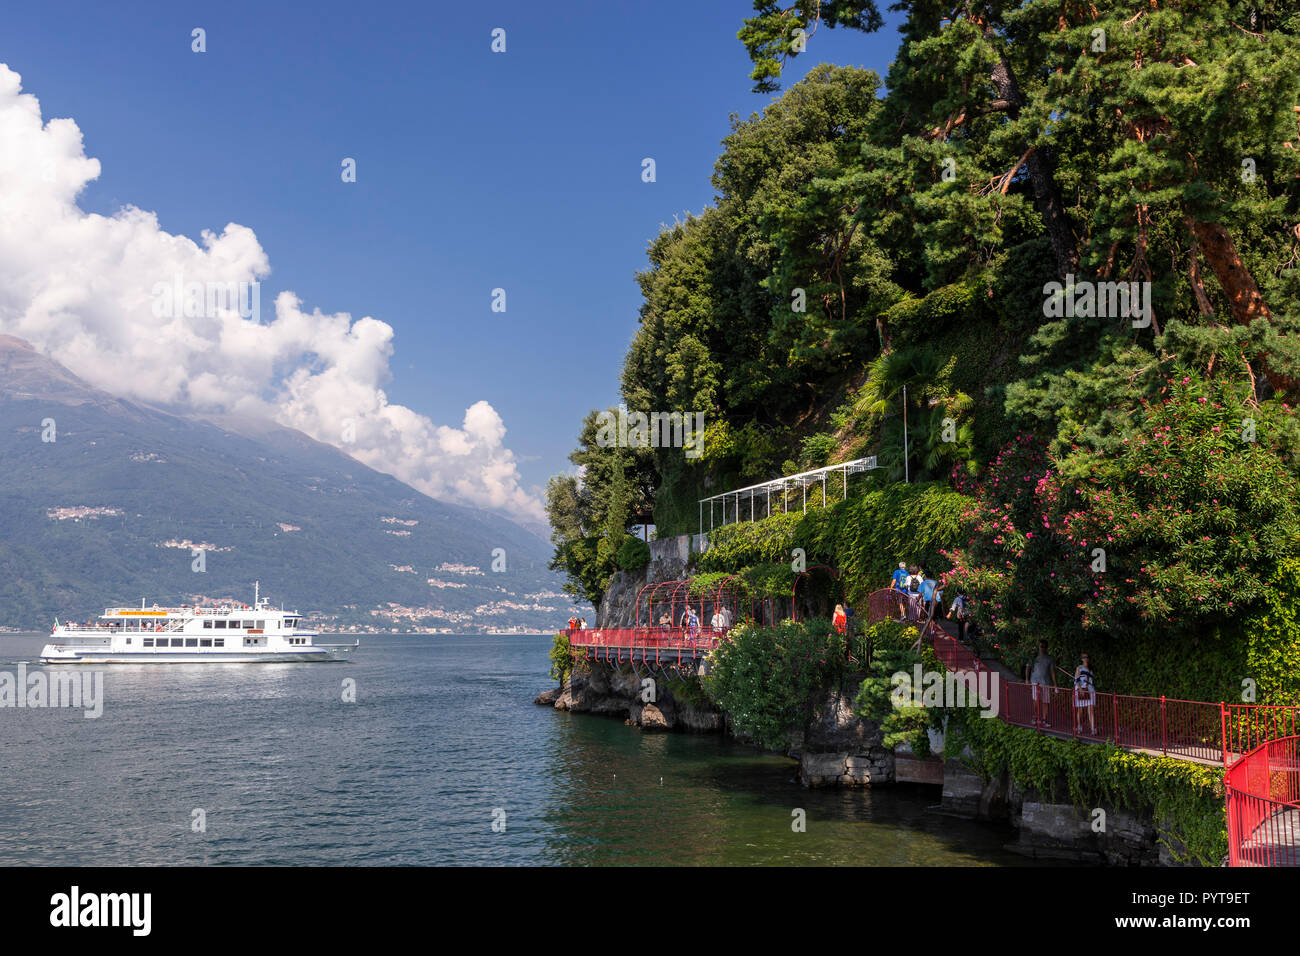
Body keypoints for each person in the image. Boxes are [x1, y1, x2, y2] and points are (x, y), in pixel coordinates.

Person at [1026, 640, 1055, 728]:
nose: (1042, 648)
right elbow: (1028, 667)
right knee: (1036, 700)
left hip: (1045, 682)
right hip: (1035, 681)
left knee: (1046, 701)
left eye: (1044, 646)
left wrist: (1055, 684)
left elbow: (1052, 671)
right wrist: (1027, 679)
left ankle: (1044, 719)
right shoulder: (1034, 657)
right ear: (1038, 647)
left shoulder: (1050, 658)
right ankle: (1035, 716)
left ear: (1047, 648)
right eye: (1041, 646)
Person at [1073, 654, 1096, 735]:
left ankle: (1093, 729)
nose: (1086, 658)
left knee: (1091, 710)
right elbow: (1076, 679)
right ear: (1081, 659)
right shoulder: (1079, 668)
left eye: (1087, 657)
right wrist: (1080, 689)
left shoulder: (1090, 669)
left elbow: (1091, 681)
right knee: (1080, 710)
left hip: (1089, 690)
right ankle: (1079, 726)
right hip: (1081, 690)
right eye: (1084, 657)